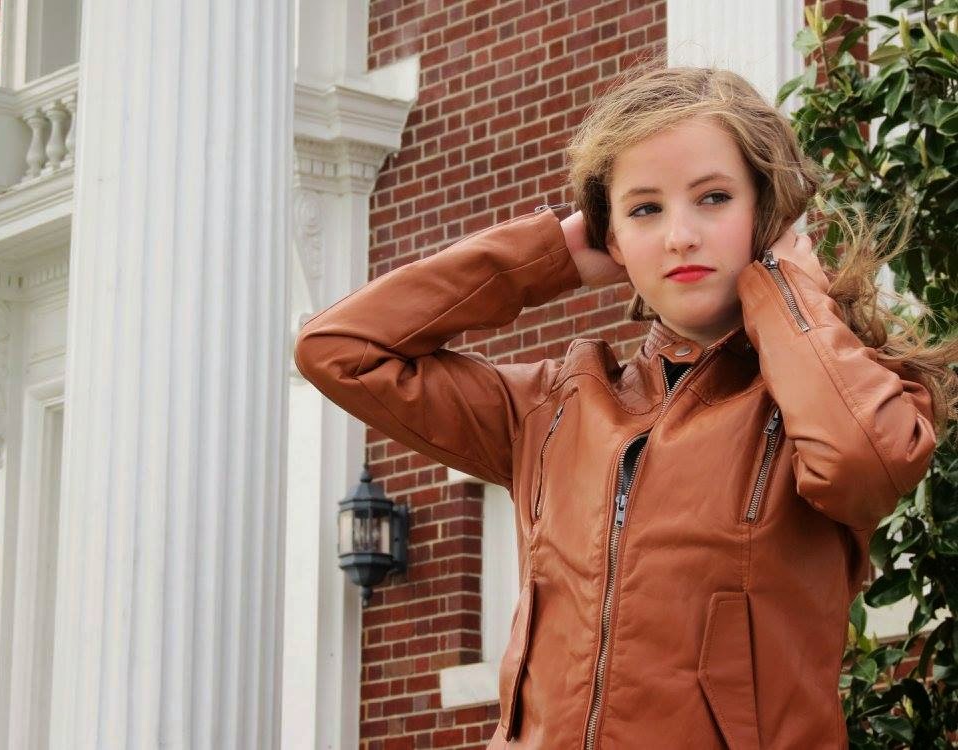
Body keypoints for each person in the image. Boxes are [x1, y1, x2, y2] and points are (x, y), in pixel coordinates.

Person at [293, 63, 958, 749]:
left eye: (713, 198)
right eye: (645, 209)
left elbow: (860, 459)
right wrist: (545, 257)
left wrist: (785, 293)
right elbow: (338, 349)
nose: (680, 235)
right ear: (610, 238)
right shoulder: (549, 408)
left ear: (765, 213)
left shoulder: (833, 398)